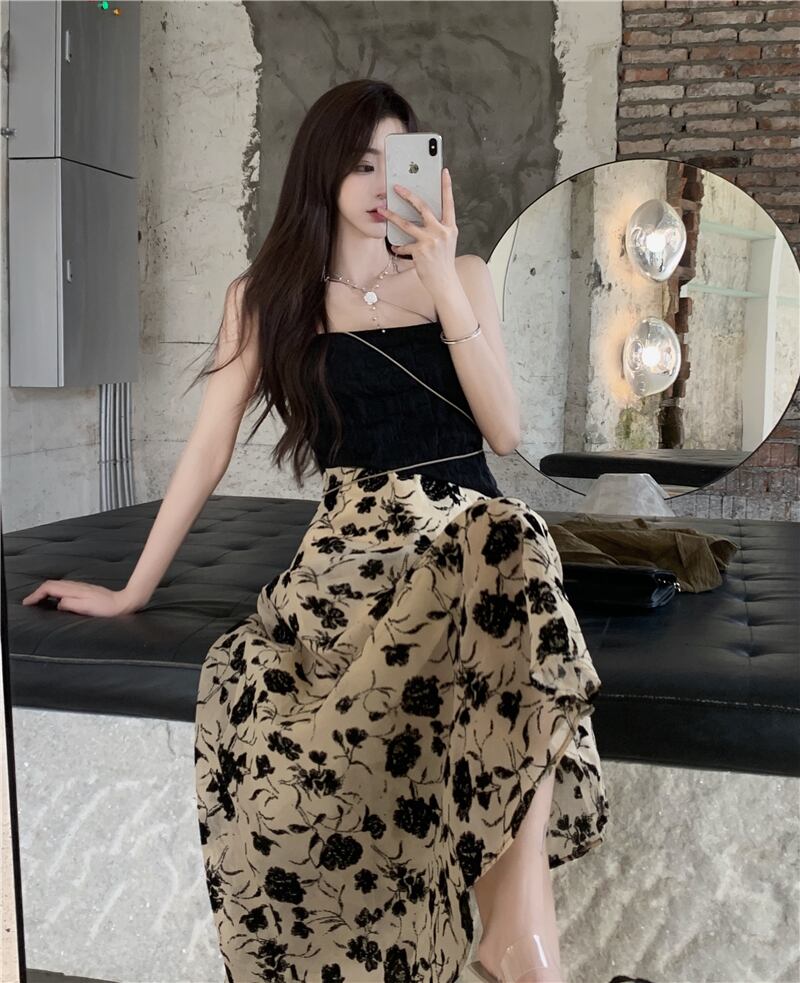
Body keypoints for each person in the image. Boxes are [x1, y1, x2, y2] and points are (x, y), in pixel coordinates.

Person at [22, 79, 609, 983]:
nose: (380, 183)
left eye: (396, 161)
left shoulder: (463, 276)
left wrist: (442, 283)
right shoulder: (267, 299)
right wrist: (132, 588)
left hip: (472, 535)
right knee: (512, 568)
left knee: (513, 543)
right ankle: (512, 941)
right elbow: (208, 450)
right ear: (323, 171)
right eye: (360, 163)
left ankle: (516, 921)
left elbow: (503, 432)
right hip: (353, 560)